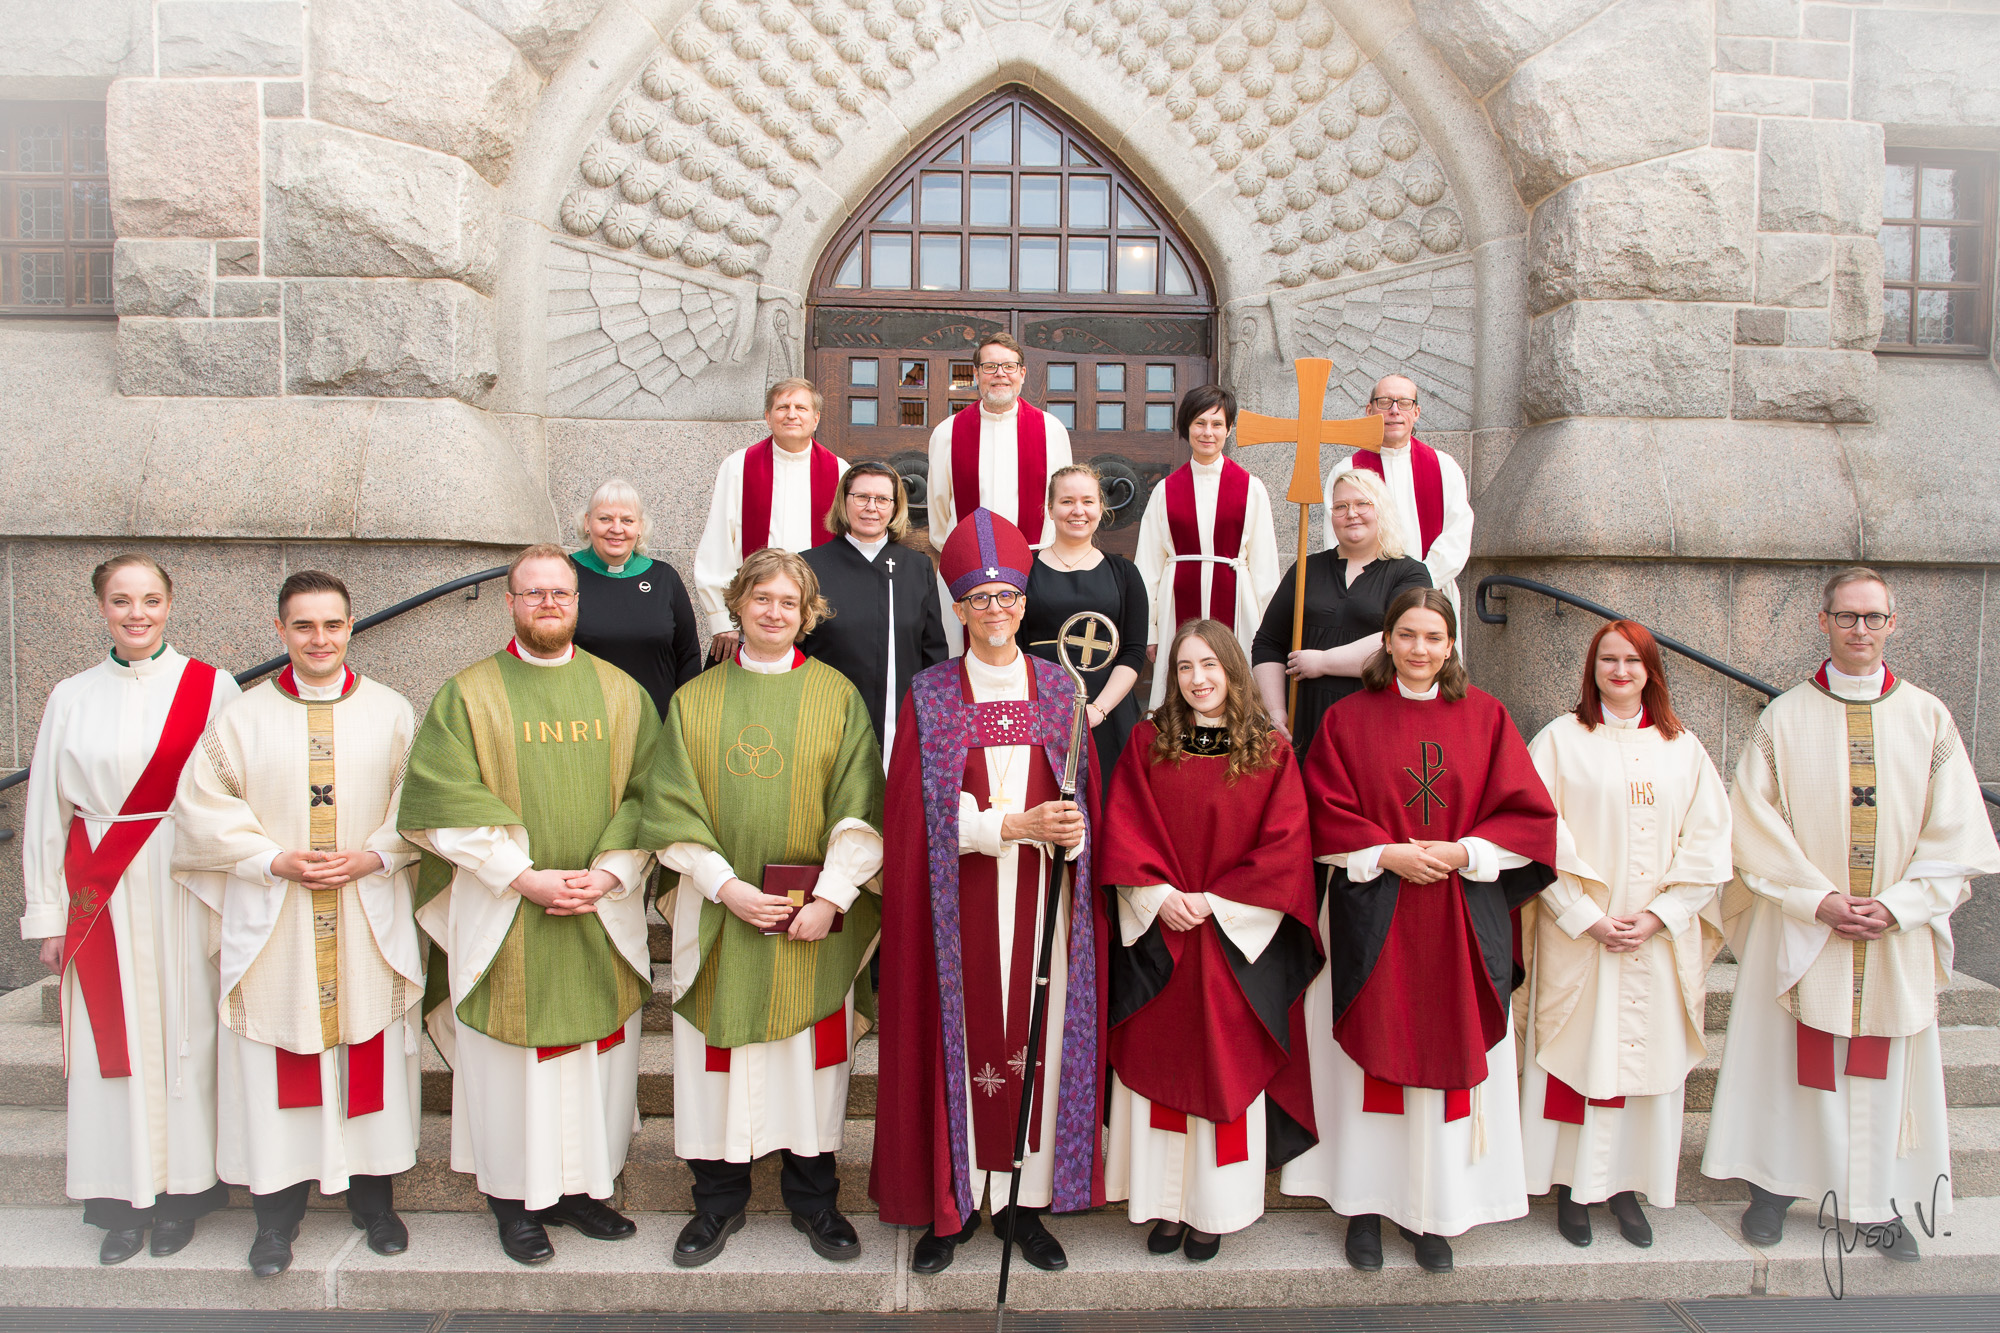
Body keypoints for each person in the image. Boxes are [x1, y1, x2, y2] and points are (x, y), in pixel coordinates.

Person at [1702, 568, 2000, 1262]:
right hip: (1804, 925)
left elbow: (1956, 831)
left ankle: (1877, 1203)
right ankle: (1773, 1190)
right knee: (1790, 1061)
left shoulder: (1928, 718)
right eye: (1846, 616)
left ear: (1893, 624)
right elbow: (1752, 824)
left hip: (1892, 931)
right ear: (1823, 621)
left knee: (1876, 1071)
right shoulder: (1784, 717)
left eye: (1872, 617)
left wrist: (1898, 906)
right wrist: (1818, 899)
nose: (1859, 629)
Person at [1280, 587, 1556, 1274]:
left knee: (1443, 1066)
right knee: (1366, 1066)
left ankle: (1436, 1212)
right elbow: (1321, 809)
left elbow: (1528, 816)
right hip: (1375, 916)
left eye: (1434, 636)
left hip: (1458, 916)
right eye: (1407, 634)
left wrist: (1464, 852)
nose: (1420, 649)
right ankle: (1364, 1206)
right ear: (1387, 639)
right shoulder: (1347, 719)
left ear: (1451, 642)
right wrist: (1386, 853)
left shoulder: (1487, 718)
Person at [399, 543, 661, 1266]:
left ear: (579, 603)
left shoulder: (621, 693)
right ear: (511, 601)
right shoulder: (470, 694)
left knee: (591, 1061)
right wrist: (522, 875)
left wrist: (608, 874)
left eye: (561, 594)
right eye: (534, 592)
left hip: (599, 907)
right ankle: (512, 1200)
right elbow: (440, 803)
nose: (549, 604)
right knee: (514, 1065)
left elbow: (654, 797)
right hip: (507, 905)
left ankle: (581, 1190)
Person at [870, 508, 1109, 1276]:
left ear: (1024, 603)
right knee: (965, 1048)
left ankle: (1021, 1203)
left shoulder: (1060, 689)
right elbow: (914, 817)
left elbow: (1087, 799)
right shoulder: (932, 693)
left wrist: (1073, 832)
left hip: (1045, 904)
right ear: (960, 609)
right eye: (980, 600)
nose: (995, 611)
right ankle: (959, 1198)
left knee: (1039, 1044)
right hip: (958, 907)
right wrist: (1011, 823)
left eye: (1007, 597)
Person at [171, 570, 425, 1277]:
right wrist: (273, 858)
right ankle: (274, 1219)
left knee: (367, 1056)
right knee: (274, 1063)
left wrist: (375, 854)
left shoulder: (392, 712)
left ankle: (376, 1202)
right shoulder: (242, 719)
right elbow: (201, 810)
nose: (321, 638)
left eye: (333, 624)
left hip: (363, 910)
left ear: (351, 627)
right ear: (280, 630)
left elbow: (422, 805)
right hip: (276, 919)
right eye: (304, 625)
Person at [642, 547, 886, 1267]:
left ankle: (816, 1200)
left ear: (807, 613)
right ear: (739, 605)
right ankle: (716, 1203)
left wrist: (832, 895)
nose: (774, 612)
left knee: (807, 1063)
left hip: (811, 921)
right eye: (761, 599)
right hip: (723, 910)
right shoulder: (695, 698)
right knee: (719, 1062)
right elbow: (670, 806)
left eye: (788, 602)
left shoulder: (838, 695)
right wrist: (727, 886)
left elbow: (860, 804)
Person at [20, 554, 240, 1266]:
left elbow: (238, 792)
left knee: (187, 1035)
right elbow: (46, 812)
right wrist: (48, 913)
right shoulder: (70, 697)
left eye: (149, 599)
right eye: (121, 601)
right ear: (101, 608)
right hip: (101, 891)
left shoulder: (211, 687)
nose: (136, 613)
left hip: (184, 880)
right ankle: (118, 1198)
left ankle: (182, 1195)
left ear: (170, 604)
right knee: (106, 1048)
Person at [1101, 621, 1321, 1262]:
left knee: (1224, 1065)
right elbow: (1125, 826)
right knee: (1159, 1060)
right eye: (1185, 668)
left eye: (1210, 666)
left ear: (1233, 670)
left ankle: (1213, 1211)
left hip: (1232, 939)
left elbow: (1285, 847)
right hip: (1161, 934)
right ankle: (1164, 1207)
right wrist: (1157, 898)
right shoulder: (1147, 742)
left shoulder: (1270, 751)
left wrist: (1217, 904)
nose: (1198, 680)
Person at [1520, 620, 1731, 1250]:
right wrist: (1583, 915)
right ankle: (1571, 1187)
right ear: (1592, 669)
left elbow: (1709, 841)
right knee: (1580, 1056)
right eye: (1607, 660)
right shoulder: (1560, 740)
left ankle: (1624, 1187)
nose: (1619, 671)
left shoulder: (1682, 747)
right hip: (1580, 933)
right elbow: (1536, 834)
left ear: (1651, 671)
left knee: (1645, 1060)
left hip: (1655, 939)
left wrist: (1661, 914)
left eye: (1632, 661)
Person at [1252, 468, 1430, 757]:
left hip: (1373, 719)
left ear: (1381, 509)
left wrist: (1323, 662)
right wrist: (1275, 712)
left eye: (1362, 504)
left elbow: (1402, 640)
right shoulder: (1306, 569)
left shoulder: (1408, 573)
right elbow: (1268, 643)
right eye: (1340, 506)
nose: (1351, 514)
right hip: (1305, 720)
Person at [1132, 386, 1280, 709]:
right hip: (1178, 603)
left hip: (1237, 603)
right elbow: (1148, 566)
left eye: (1217, 424)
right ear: (1186, 427)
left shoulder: (1251, 488)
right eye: (1200, 423)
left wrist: (1270, 634)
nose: (1208, 432)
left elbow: (1265, 565)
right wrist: (1150, 630)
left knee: (1236, 685)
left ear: (1229, 429)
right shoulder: (1165, 491)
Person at [800, 460, 949, 761]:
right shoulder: (810, 566)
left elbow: (932, 650)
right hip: (829, 717)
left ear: (895, 507)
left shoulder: (916, 567)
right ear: (844, 501)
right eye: (862, 497)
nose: (872, 507)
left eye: (882, 499)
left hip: (902, 721)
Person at [695, 378, 849, 661]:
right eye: (782, 407)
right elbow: (718, 542)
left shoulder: (839, 471)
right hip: (754, 616)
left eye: (801, 407)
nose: (792, 414)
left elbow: (847, 549)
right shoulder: (738, 466)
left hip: (816, 618)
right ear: (768, 417)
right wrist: (723, 620)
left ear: (816, 418)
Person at [1019, 464, 1151, 781]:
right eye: (1066, 501)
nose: (1078, 511)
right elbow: (1015, 647)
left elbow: (1133, 651)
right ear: (1049, 509)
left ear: (1100, 508)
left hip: (1108, 713)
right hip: (1041, 711)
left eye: (1088, 501)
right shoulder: (1024, 570)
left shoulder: (1124, 573)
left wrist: (1098, 710)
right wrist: (1040, 708)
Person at [1319, 374, 1472, 617]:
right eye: (1384, 402)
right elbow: (1337, 539)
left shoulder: (1444, 467)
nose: (1394, 410)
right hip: (1367, 599)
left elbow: (1457, 535)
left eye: (1404, 403)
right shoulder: (1347, 471)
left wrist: (1418, 583)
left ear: (1417, 412)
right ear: (1369, 410)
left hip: (1431, 595)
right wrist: (1373, 589)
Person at [925, 333, 1073, 551]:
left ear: (1022, 374)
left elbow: (1064, 498)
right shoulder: (948, 432)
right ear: (976, 374)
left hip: (1036, 560)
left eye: (1009, 366)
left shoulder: (1051, 429)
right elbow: (938, 507)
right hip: (968, 562)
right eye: (990, 366)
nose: (1000, 374)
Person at [569, 478, 704, 717]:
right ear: (587, 523)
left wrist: (685, 718)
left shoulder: (665, 578)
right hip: (585, 721)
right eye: (605, 519)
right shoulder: (564, 576)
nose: (617, 529)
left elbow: (688, 655)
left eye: (627, 520)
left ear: (640, 527)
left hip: (656, 723)